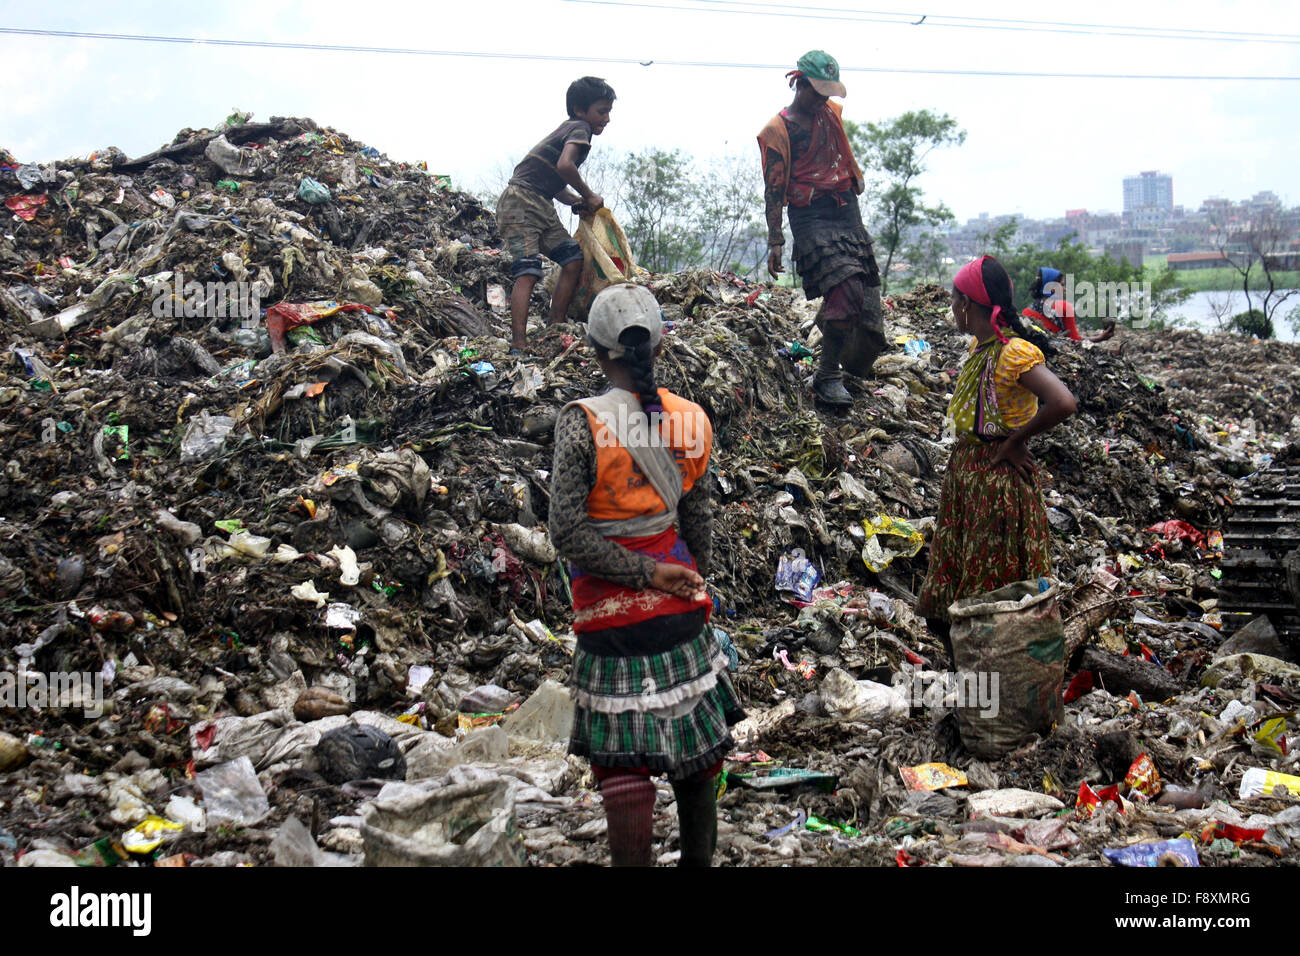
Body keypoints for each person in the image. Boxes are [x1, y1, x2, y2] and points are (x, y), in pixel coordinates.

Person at [548, 283, 744, 867]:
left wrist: (641, 575)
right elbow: (699, 520)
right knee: (697, 757)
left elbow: (567, 533)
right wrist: (683, 580)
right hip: (679, 611)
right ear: (659, 342)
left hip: (610, 618)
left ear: (593, 350)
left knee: (622, 763)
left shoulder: (581, 422)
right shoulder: (690, 419)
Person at [917, 256, 1078, 655]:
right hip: (969, 476)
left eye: (955, 301)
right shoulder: (981, 345)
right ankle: (968, 666)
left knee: (994, 579)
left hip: (997, 481)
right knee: (963, 570)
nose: (952, 308)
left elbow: (1062, 402)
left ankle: (999, 667)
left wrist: (1014, 441)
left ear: (968, 305)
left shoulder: (1013, 354)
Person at [758, 50, 886, 407]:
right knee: (846, 288)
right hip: (811, 215)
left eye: (827, 93)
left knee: (861, 290)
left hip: (846, 209)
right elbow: (773, 188)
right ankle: (826, 376)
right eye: (817, 92)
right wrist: (776, 240)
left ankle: (838, 338)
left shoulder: (832, 113)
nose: (823, 100)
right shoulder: (778, 130)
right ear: (798, 84)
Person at [498, 76, 615, 353]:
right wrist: (589, 195)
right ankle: (518, 344)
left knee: (573, 259)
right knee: (527, 271)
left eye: (609, 111)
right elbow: (565, 166)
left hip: (540, 202)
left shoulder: (571, 128)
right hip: (519, 203)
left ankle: (555, 326)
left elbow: (555, 180)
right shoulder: (580, 128)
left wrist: (575, 201)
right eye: (602, 111)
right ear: (579, 110)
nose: (607, 118)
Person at [1023, 266, 1115, 343]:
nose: (1064, 289)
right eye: (1062, 285)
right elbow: (1074, 340)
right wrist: (1100, 338)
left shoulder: (1026, 312)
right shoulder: (1064, 308)